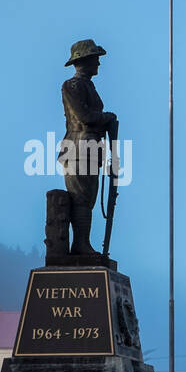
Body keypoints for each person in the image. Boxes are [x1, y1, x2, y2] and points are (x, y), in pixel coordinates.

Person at [58, 39, 118, 257]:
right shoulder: (72, 85)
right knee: (81, 199)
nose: (99, 64)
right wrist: (106, 117)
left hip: (90, 148)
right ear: (85, 60)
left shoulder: (88, 86)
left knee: (88, 200)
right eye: (96, 59)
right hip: (78, 147)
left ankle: (83, 244)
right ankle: (80, 245)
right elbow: (84, 117)